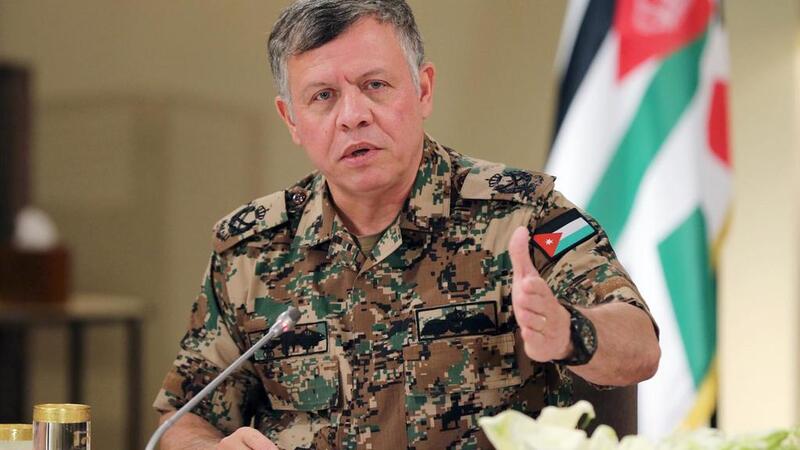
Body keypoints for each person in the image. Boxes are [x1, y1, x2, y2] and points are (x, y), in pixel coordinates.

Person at [153, 1, 661, 449]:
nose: (353, 115)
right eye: (323, 96)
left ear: (423, 90)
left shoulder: (523, 214)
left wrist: (570, 331)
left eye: (374, 85)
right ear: (291, 119)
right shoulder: (251, 250)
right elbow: (184, 416)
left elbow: (640, 345)